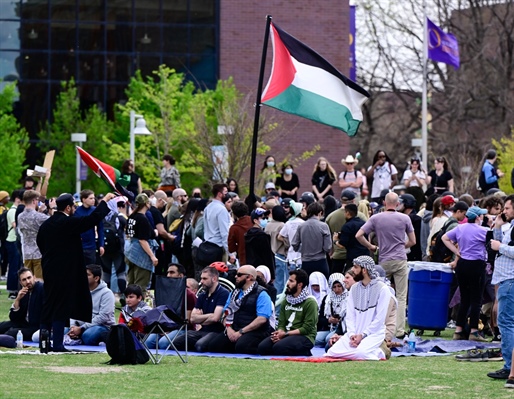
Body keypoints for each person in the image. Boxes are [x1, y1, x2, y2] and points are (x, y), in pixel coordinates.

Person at [36, 192, 115, 351]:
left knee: (49, 304)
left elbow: (40, 243)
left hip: (49, 269)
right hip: (65, 271)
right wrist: (105, 201)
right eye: (73, 206)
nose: (74, 209)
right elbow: (91, 220)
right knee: (60, 307)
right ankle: (57, 344)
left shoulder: (46, 224)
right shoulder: (67, 222)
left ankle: (44, 343)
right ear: (68, 207)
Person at [356, 192, 415, 337]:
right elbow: (413, 241)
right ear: (397, 204)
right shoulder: (405, 218)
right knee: (401, 296)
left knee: (380, 295)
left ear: (384, 202)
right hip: (400, 259)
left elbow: (358, 235)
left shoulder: (376, 218)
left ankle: (378, 328)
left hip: (383, 260)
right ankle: (399, 330)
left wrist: (371, 246)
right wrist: (402, 246)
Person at [325, 256, 392, 360]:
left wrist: (363, 335)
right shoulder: (354, 289)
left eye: (355, 267)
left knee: (360, 354)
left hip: (373, 334)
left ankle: (381, 351)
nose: (352, 270)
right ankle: (367, 350)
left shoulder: (382, 289)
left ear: (364, 270)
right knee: (331, 352)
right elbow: (350, 316)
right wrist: (352, 334)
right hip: (354, 334)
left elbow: (379, 320)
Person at [442, 206, 489, 342]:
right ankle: (473, 331)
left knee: (464, 298)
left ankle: (458, 330)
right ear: (478, 218)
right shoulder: (483, 231)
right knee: (476, 299)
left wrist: (456, 252)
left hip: (462, 264)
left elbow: (445, 238)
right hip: (476, 265)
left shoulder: (460, 228)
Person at [207, 265, 273, 354]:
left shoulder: (262, 294)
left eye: (239, 275)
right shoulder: (234, 292)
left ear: (249, 277)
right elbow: (225, 313)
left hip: (256, 331)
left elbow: (262, 319)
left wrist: (241, 332)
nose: (235, 277)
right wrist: (229, 330)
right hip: (234, 328)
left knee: (242, 347)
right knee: (214, 346)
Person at [258, 269, 318, 356]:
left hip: (305, 336)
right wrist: (279, 333)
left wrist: (285, 334)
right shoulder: (287, 300)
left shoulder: (310, 302)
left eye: (291, 281)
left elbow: (307, 328)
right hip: (286, 334)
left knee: (278, 348)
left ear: (300, 285)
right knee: (262, 348)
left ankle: (305, 351)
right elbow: (281, 323)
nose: (288, 284)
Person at [486, 194, 514, 380]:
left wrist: (499, 247)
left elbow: (500, 247)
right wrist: (497, 225)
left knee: (506, 323)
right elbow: (498, 243)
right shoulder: (509, 226)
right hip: (505, 279)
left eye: (507, 208)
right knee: (506, 322)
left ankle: (509, 367)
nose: (504, 211)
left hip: (510, 280)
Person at [174, 266, 230, 352]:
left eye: (204, 279)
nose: (201, 282)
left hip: (216, 332)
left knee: (200, 346)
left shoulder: (223, 293)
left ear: (214, 279)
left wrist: (201, 318)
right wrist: (209, 316)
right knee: (175, 343)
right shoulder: (202, 295)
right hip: (201, 330)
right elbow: (192, 319)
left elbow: (215, 318)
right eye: (201, 278)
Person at [146, 263, 197, 349]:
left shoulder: (188, 295)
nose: (168, 275)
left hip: (182, 328)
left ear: (180, 276)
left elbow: (187, 321)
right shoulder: (164, 293)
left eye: (172, 272)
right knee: (148, 342)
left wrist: (169, 330)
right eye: (168, 272)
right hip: (164, 326)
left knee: (163, 343)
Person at [67, 264, 115, 346]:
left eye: (87, 275)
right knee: (60, 331)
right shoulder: (79, 291)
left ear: (96, 278)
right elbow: (72, 311)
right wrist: (73, 327)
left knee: (88, 336)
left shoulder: (107, 293)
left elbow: (103, 317)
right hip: (80, 326)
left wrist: (82, 328)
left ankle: (104, 339)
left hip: (101, 326)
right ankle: (77, 336)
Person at [124, 193, 159, 295]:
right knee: (140, 286)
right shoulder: (142, 219)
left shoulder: (132, 217)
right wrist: (152, 256)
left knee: (131, 283)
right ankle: (138, 309)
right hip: (140, 253)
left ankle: (128, 306)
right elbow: (142, 240)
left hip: (130, 251)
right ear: (147, 204)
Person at [17, 190, 55, 280]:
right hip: (39, 253)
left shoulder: (20, 216)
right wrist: (53, 208)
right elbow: (54, 222)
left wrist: (40, 212)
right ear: (34, 201)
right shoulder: (39, 217)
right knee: (39, 282)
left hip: (26, 253)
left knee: (27, 282)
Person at [0, 268, 44, 340]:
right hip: (24, 323)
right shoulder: (23, 292)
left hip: (36, 327)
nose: (28, 281)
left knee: (12, 333)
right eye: (24, 280)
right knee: (2, 326)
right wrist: (17, 299)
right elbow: (14, 318)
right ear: (21, 283)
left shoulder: (41, 289)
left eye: (29, 278)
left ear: (34, 277)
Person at [291, 202, 332, 279]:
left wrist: (303, 249)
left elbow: (294, 244)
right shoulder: (323, 226)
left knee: (307, 287)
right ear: (320, 212)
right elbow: (327, 248)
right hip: (321, 261)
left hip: (306, 262)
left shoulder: (301, 226)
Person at [315, 273, 347, 347]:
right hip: (330, 327)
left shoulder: (348, 297)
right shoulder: (327, 298)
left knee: (328, 338)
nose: (337, 289)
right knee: (315, 338)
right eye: (334, 287)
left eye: (339, 286)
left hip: (343, 329)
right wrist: (329, 320)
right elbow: (320, 318)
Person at [203, 183, 233, 264]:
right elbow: (225, 233)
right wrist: (230, 253)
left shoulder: (207, 208)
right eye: (226, 192)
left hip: (207, 245)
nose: (227, 194)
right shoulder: (221, 210)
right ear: (220, 194)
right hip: (218, 247)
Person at [335, 203, 369, 270]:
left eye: (345, 212)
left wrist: (335, 240)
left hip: (353, 258)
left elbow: (342, 244)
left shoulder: (347, 226)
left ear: (347, 213)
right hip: (365, 256)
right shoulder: (363, 223)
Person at [74, 189, 105, 265]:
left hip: (91, 246)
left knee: (91, 269)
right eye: (90, 198)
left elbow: (100, 229)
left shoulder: (95, 211)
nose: (93, 200)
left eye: (94, 198)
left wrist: (101, 245)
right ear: (84, 199)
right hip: (79, 246)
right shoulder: (77, 212)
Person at [265, 205, 288, 294]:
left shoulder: (268, 225)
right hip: (280, 256)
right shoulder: (282, 225)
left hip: (269, 256)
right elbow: (285, 241)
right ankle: (278, 306)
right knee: (280, 283)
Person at [6, 189, 23, 299]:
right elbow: (15, 224)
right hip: (12, 240)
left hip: (14, 240)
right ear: (17, 199)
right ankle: (12, 290)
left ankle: (15, 289)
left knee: (17, 265)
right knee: (13, 266)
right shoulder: (12, 211)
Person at [228, 201, 254, 265]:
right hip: (258, 257)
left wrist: (240, 246)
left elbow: (231, 248)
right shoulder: (254, 221)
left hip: (243, 257)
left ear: (234, 213)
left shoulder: (234, 228)